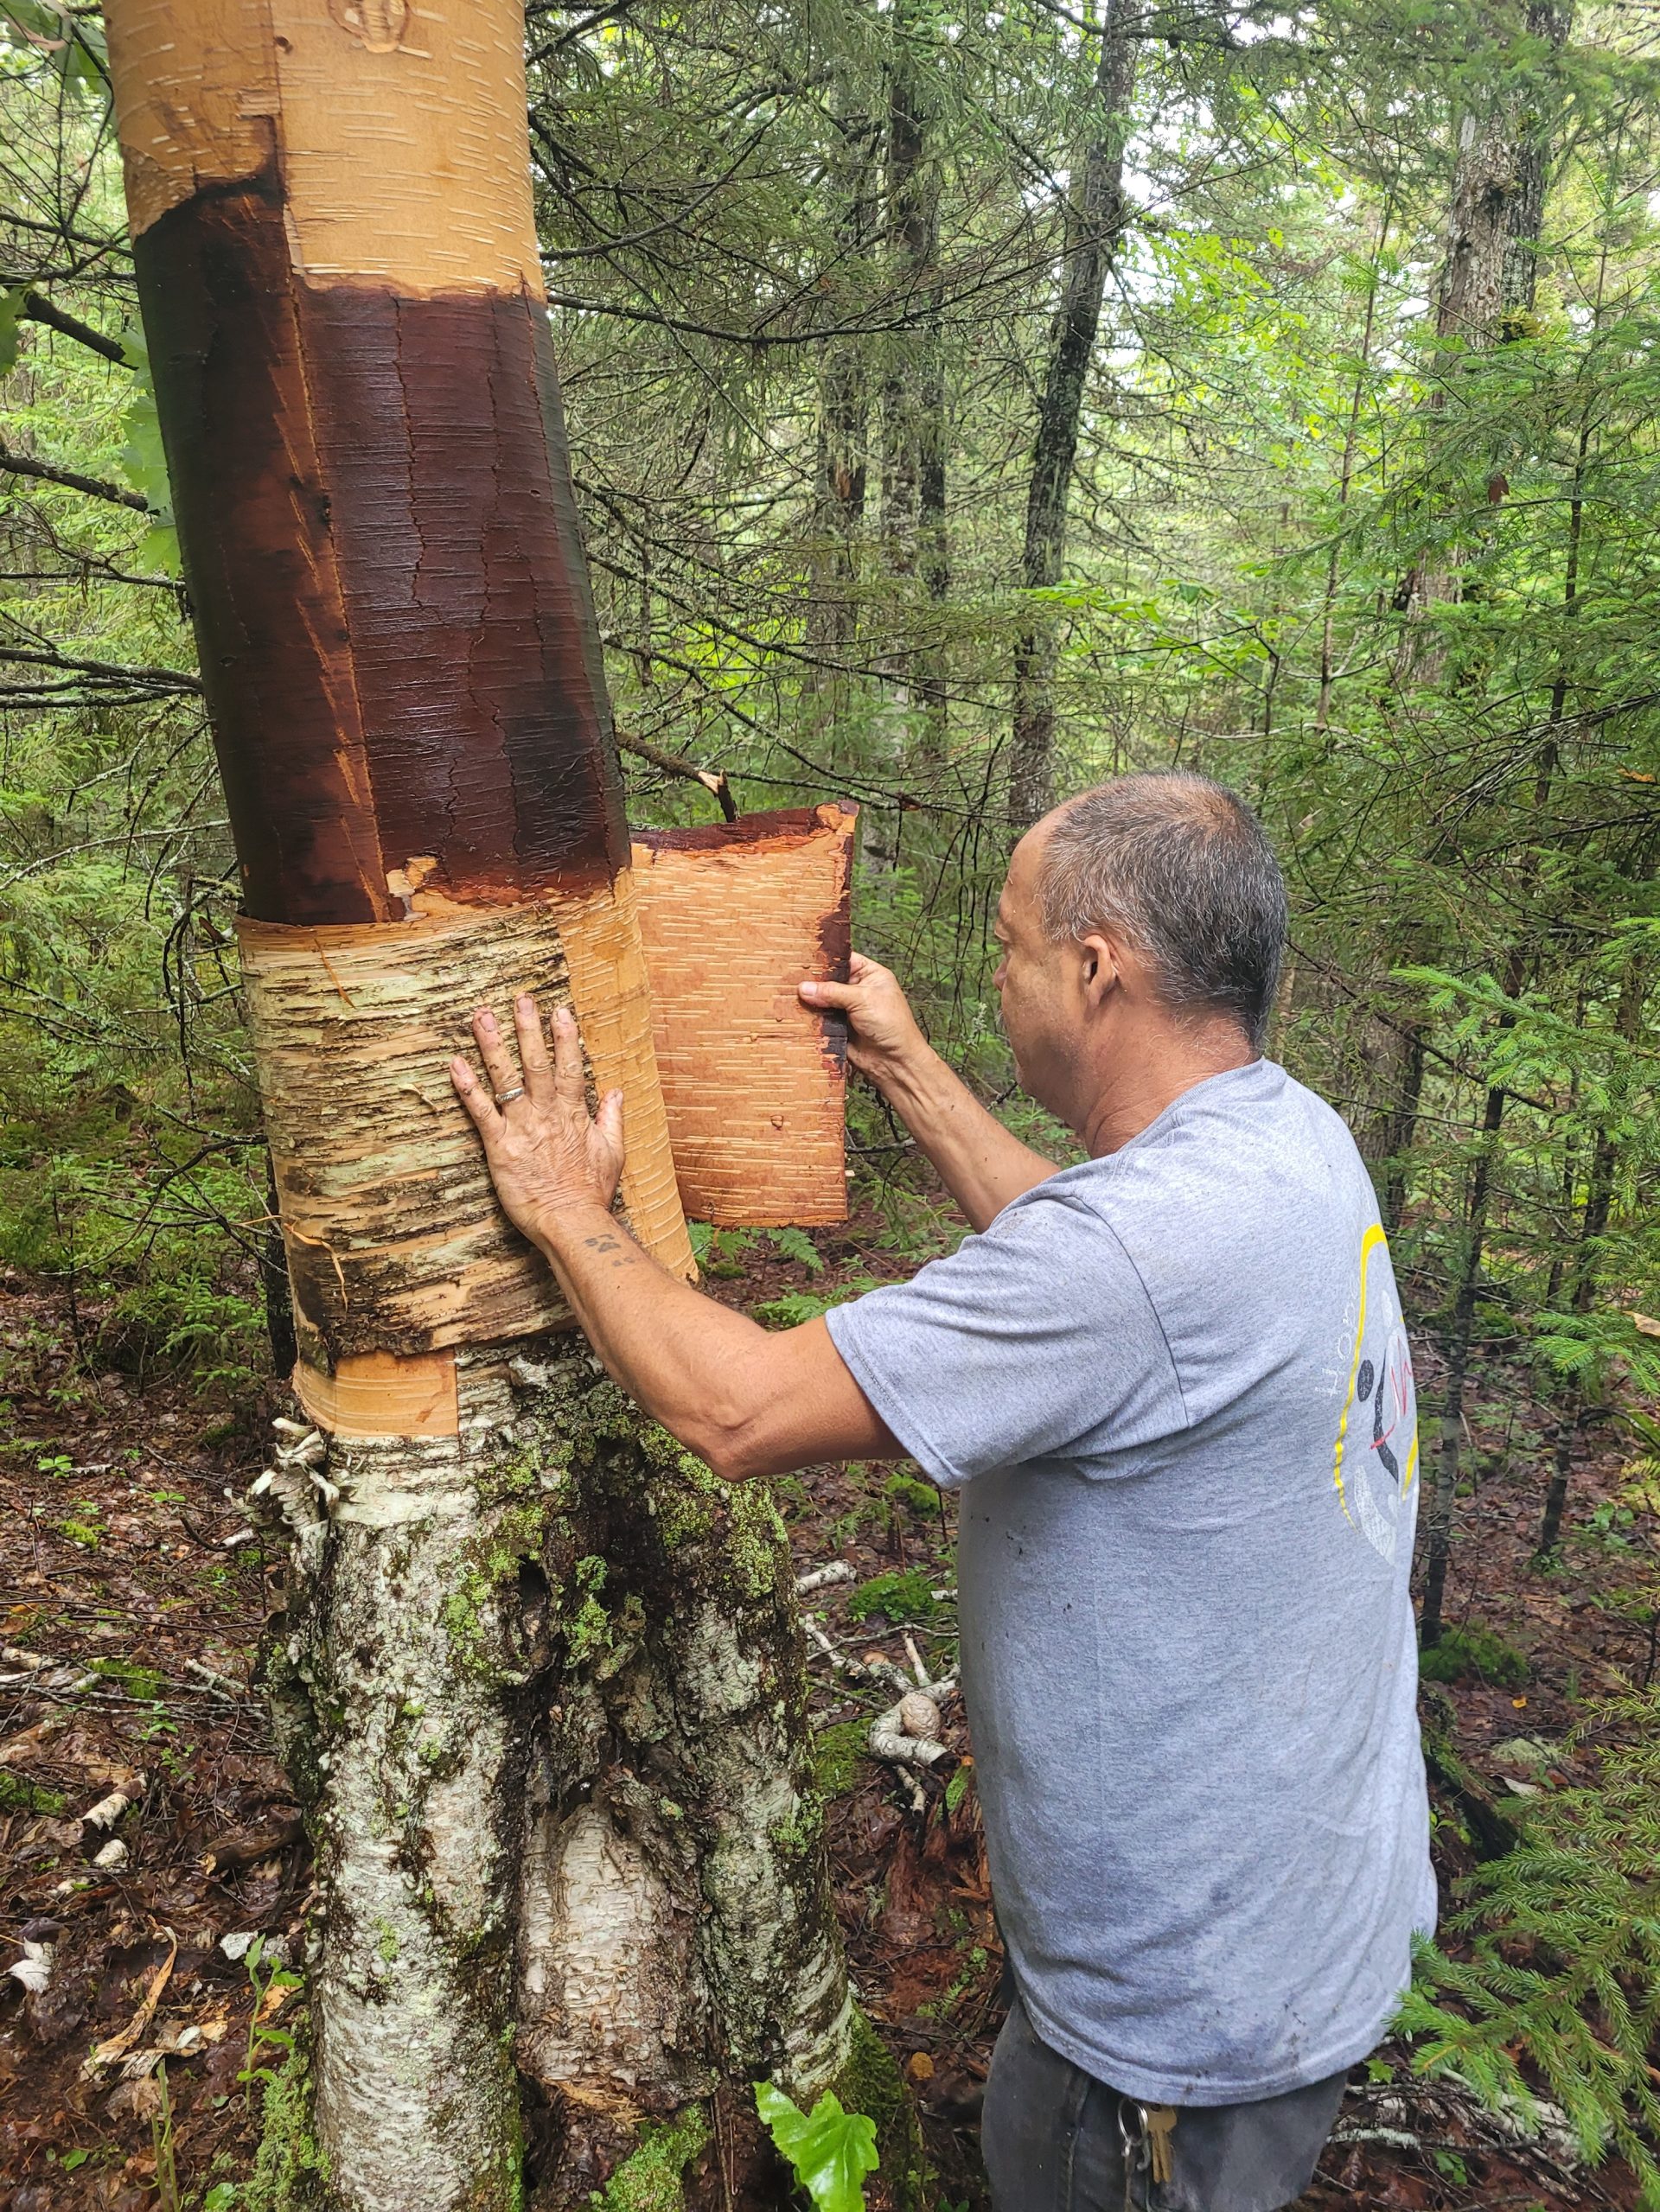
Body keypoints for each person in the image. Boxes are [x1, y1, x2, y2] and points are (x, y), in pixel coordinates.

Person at [449, 770, 1436, 2212]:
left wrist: (561, 1205)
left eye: (1009, 941)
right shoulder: (1287, 1141)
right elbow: (1104, 1259)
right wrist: (907, 1067)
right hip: (1291, 1912)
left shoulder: (1145, 1252)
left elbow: (734, 1408)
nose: (996, 969)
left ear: (1097, 969)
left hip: (1184, 2021)